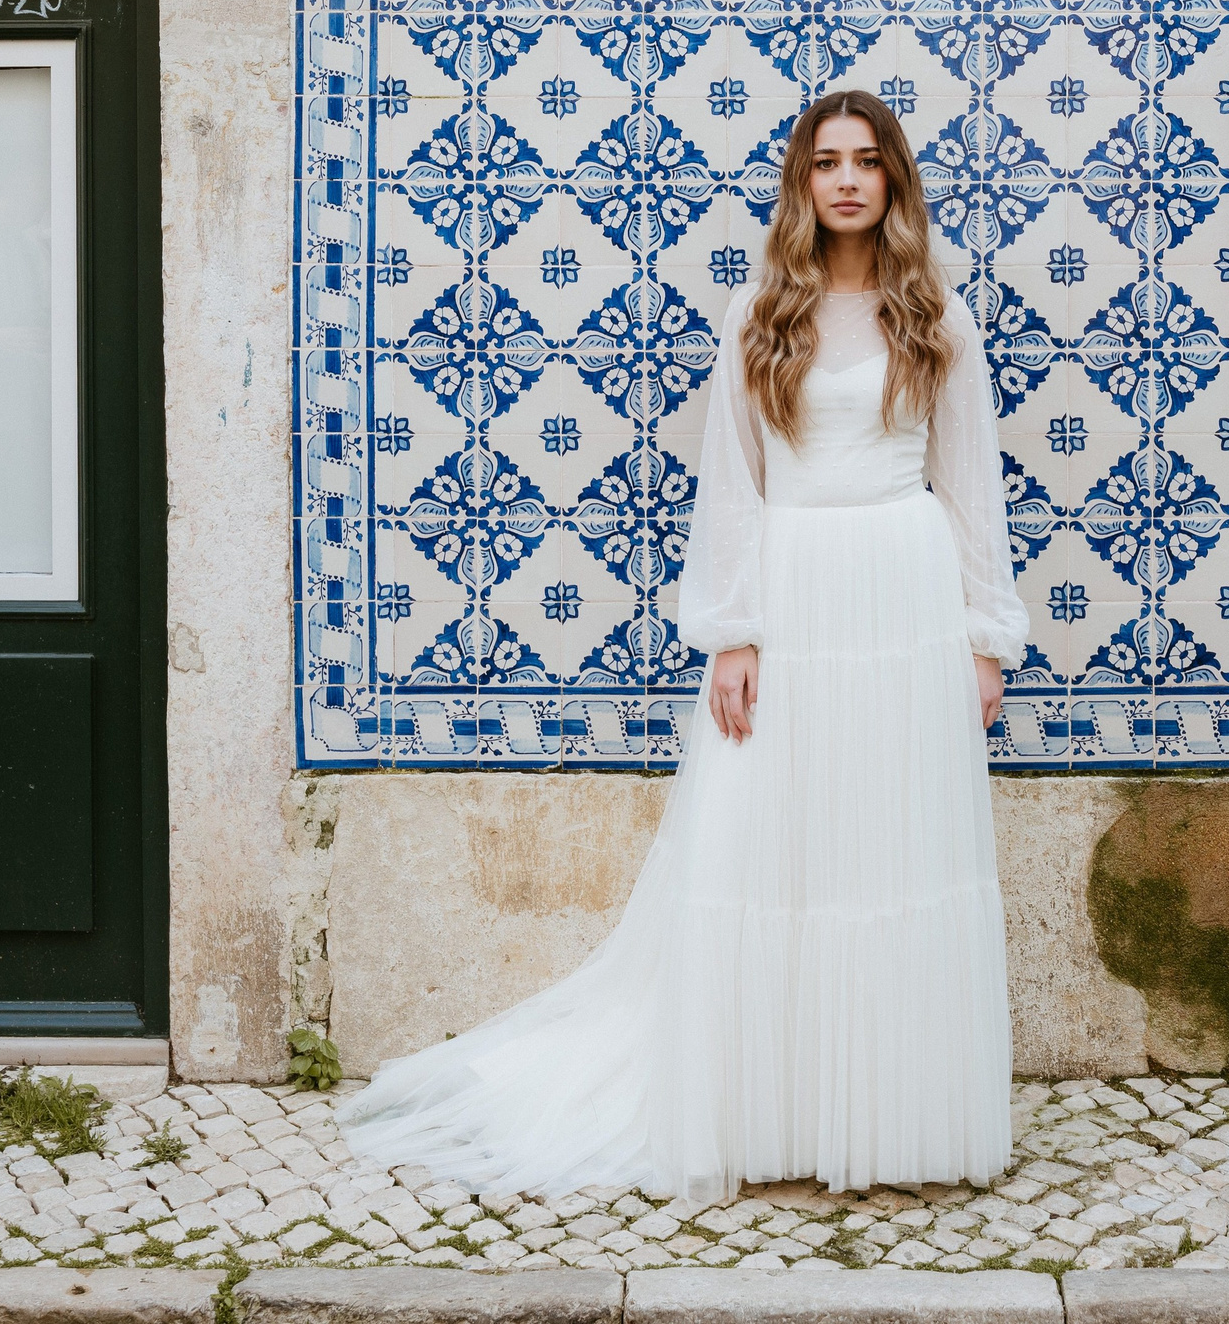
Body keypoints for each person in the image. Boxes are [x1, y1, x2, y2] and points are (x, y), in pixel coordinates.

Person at [339, 88, 1028, 1205]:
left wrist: (984, 637)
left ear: (894, 180)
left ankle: (892, 1120)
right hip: (794, 593)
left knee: (891, 847)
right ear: (802, 183)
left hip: (905, 599)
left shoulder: (936, 316)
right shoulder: (763, 312)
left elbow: (970, 484)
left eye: (867, 161)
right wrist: (732, 632)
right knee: (776, 846)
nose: (847, 180)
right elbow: (733, 484)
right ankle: (773, 1110)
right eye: (826, 162)